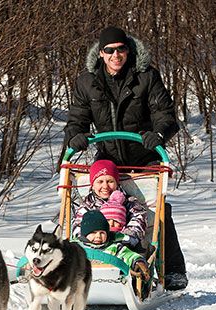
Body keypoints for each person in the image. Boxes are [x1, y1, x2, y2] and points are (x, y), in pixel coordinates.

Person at [62, 26, 188, 290]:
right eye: (109, 50)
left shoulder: (146, 77)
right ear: (101, 53)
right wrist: (76, 135)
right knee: (93, 206)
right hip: (108, 158)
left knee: (155, 210)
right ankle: (90, 258)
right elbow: (77, 119)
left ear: (128, 51)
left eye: (121, 49)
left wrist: (158, 134)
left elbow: (165, 115)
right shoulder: (87, 82)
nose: (115, 55)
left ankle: (172, 269)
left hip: (144, 156)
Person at [71, 159, 147, 248]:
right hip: (93, 245)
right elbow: (77, 225)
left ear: (116, 183)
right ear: (93, 185)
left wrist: (124, 237)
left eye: (110, 181)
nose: (105, 186)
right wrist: (90, 239)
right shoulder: (88, 205)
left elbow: (139, 219)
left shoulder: (129, 202)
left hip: (123, 245)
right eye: (100, 182)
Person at [76, 210, 149, 280]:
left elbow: (128, 255)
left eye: (102, 233)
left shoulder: (114, 247)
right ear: (85, 234)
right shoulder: (76, 249)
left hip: (111, 283)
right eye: (93, 233)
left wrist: (138, 262)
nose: (98, 236)